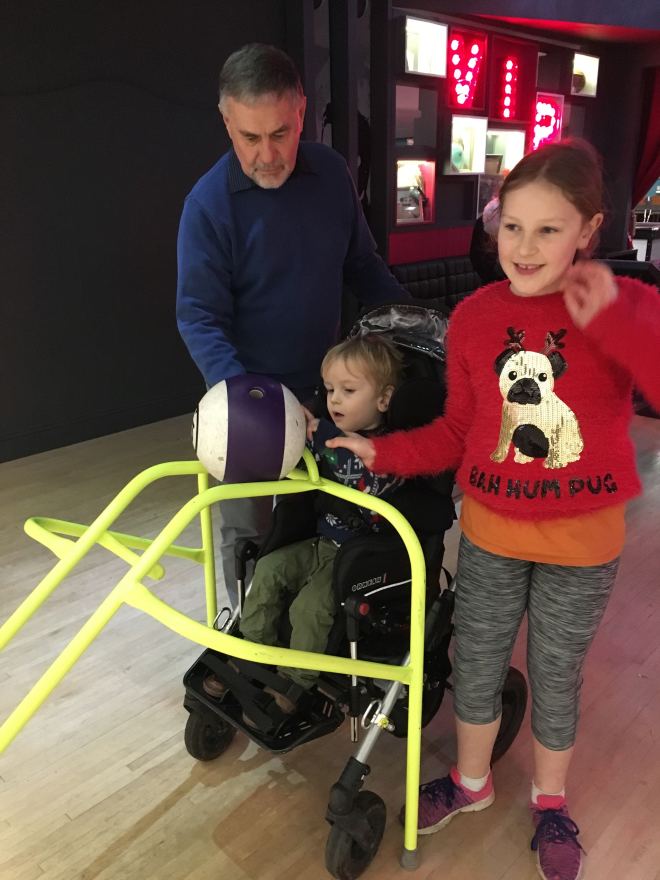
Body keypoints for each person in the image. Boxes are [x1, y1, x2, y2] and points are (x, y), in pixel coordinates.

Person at [324, 139, 660, 880]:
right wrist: (386, 452)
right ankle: (472, 784)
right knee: (473, 661)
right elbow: (457, 431)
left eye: (548, 228)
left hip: (583, 543)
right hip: (490, 533)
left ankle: (549, 801)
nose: (526, 246)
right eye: (512, 226)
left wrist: (620, 318)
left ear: (589, 228)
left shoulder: (626, 302)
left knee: (555, 671)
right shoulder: (477, 317)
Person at [176, 43, 409, 609]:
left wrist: (417, 331)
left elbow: (364, 269)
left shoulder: (330, 173)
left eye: (280, 133)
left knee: (327, 523)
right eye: (249, 137)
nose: (267, 155)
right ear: (227, 121)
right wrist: (251, 402)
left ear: (302, 111)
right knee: (248, 532)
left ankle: (307, 637)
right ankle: (242, 636)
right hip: (248, 404)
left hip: (330, 394)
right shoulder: (208, 206)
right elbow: (199, 317)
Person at [202, 334, 405, 712]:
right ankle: (250, 651)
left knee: (309, 608)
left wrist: (323, 434)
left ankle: (297, 682)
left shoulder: (392, 448)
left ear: (383, 399)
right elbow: (302, 454)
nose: (335, 399)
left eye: (348, 390)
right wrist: (294, 431)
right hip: (323, 540)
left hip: (362, 557)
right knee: (267, 571)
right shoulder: (328, 432)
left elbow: (358, 467)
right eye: (329, 390)